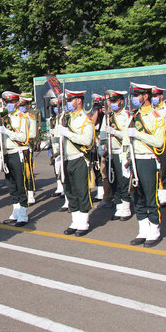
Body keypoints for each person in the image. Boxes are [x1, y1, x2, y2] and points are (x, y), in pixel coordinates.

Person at [125, 83, 166, 248]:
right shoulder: (133, 116)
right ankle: (143, 230)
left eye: (137, 95)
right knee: (137, 197)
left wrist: (139, 134)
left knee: (150, 196)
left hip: (148, 160)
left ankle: (154, 230)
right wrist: (124, 160)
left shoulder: (156, 117)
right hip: (134, 159)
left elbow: (158, 142)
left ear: (145, 96)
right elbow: (125, 139)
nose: (134, 99)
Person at [59, 90, 95, 237]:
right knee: (70, 191)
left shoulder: (86, 120)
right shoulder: (65, 118)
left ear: (78, 101)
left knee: (81, 191)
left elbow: (87, 141)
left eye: (70, 100)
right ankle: (75, 221)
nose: (67, 103)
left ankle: (84, 223)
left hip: (79, 158)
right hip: (66, 158)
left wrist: (68, 133)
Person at [0, 91, 30, 226]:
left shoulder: (22, 117)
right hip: (7, 152)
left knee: (20, 183)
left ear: (17, 103)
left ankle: (23, 213)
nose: (8, 105)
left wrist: (7, 132)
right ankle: (15, 211)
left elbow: (24, 138)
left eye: (11, 102)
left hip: (18, 152)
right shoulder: (4, 117)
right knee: (11, 184)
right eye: (6, 102)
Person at [100, 90, 133, 221]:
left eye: (114, 101)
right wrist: (101, 148)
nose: (112, 104)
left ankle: (126, 208)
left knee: (123, 181)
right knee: (112, 181)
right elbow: (103, 133)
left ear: (121, 101)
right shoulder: (108, 116)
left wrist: (114, 132)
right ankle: (119, 206)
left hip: (121, 152)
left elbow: (127, 134)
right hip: (110, 152)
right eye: (110, 101)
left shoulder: (127, 115)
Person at [151, 86, 166, 206]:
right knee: (154, 170)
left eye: (156, 96)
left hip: (163, 143)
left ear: (161, 96)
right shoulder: (149, 110)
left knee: (163, 170)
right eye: (152, 96)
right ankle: (155, 193)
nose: (154, 98)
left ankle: (164, 195)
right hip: (151, 144)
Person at [19, 96, 38, 205]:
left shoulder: (30, 117)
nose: (21, 107)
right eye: (20, 105)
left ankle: (30, 193)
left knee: (28, 171)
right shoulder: (17, 116)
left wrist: (22, 137)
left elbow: (33, 134)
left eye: (23, 105)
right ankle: (23, 192)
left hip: (26, 146)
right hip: (17, 146)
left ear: (27, 106)